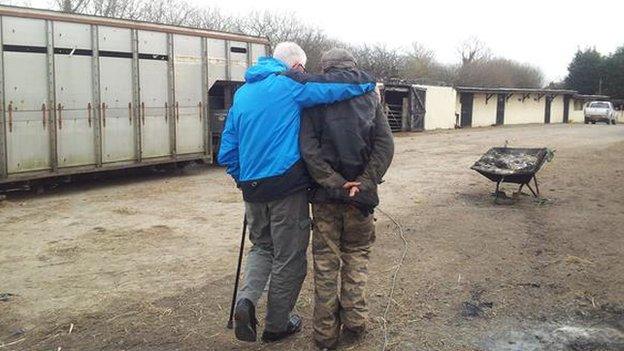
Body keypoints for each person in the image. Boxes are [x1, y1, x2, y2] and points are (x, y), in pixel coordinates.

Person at [218, 42, 376, 344]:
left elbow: (227, 151)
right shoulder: (290, 85)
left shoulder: (242, 93)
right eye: (302, 69)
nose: (303, 73)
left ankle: (246, 301)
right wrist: (368, 82)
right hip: (286, 188)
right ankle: (278, 325)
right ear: (296, 66)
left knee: (262, 248)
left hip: (252, 190)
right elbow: (334, 88)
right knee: (289, 258)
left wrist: (244, 179)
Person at [299, 48, 394, 350]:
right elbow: (385, 145)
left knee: (326, 265)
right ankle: (355, 321)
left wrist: (336, 184)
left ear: (325, 68)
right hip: (361, 200)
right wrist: (363, 184)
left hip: (326, 198)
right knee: (357, 256)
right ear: (353, 66)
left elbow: (308, 150)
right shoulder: (370, 97)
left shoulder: (313, 98)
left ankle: (325, 335)